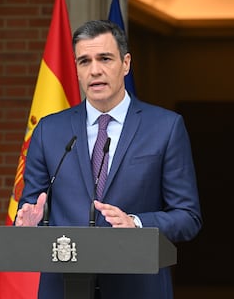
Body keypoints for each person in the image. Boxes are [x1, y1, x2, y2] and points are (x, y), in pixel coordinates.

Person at [15, 20, 202, 299]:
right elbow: (33, 205)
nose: (95, 70)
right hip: (65, 288)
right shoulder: (48, 130)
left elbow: (187, 217)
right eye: (84, 61)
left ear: (125, 64)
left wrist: (136, 223)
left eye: (105, 58)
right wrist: (29, 224)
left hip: (137, 288)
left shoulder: (165, 127)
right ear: (77, 70)